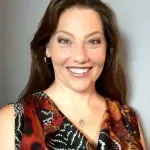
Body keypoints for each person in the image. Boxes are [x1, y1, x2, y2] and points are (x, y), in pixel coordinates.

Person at [0, 0, 146, 149]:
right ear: (47, 48)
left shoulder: (128, 119)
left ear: (107, 50)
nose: (80, 57)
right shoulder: (13, 120)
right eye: (65, 40)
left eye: (93, 41)